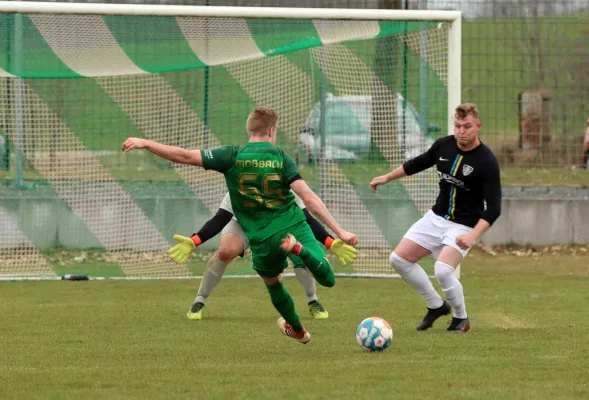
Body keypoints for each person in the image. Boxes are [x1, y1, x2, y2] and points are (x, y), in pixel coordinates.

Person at [122, 106, 358, 344]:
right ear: (271, 130)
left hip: (262, 239)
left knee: (273, 282)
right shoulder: (281, 158)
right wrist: (339, 232)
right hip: (292, 226)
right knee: (328, 279)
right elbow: (309, 199)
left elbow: (183, 156)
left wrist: (146, 142)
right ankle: (300, 251)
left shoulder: (231, 156)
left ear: (249, 130)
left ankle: (298, 330)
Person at [370, 103, 501, 333]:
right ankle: (436, 305)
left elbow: (494, 208)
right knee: (398, 260)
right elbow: (418, 162)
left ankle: (461, 318)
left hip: (463, 225)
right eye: (458, 126)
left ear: (477, 126)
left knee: (442, 270)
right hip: (436, 217)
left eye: (467, 126)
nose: (462, 131)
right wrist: (388, 177)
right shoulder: (444, 145)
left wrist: (472, 236)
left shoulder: (487, 161)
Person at [167, 191, 358, 320]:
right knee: (225, 251)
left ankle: (312, 300)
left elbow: (307, 219)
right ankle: (199, 301)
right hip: (244, 224)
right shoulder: (238, 185)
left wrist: (331, 242)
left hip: (278, 225)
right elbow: (220, 219)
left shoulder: (284, 184)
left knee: (300, 254)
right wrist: (195, 241)